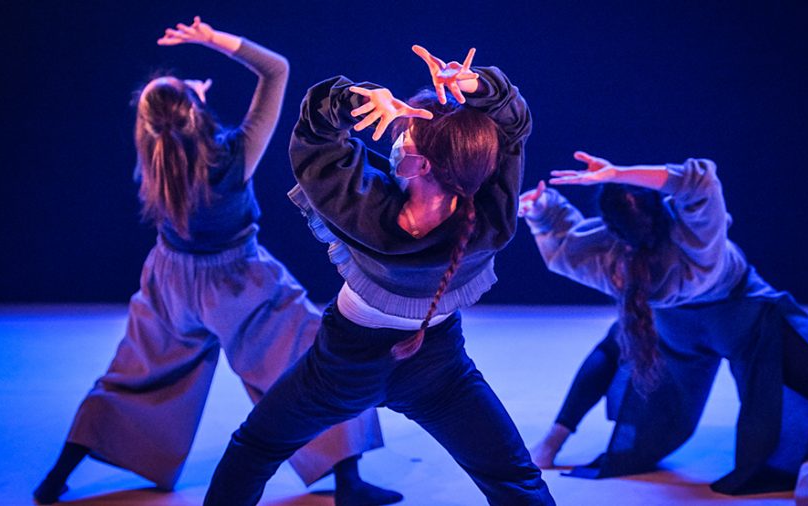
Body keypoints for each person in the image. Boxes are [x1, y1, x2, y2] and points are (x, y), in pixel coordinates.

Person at [33, 17, 400, 506]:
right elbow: (276, 71)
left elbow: (164, 119)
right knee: (316, 358)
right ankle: (349, 483)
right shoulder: (235, 155)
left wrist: (188, 97)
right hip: (237, 281)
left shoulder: (153, 157)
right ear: (195, 112)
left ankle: (58, 475)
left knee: (132, 375)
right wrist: (215, 41)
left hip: (169, 281)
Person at [202, 45, 555, 505]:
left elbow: (315, 138)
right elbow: (512, 128)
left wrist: (356, 101)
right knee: (514, 477)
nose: (398, 138)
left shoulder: (365, 212)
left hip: (346, 364)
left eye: (405, 134)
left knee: (255, 447)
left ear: (422, 164)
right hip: (438, 364)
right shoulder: (490, 221)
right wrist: (478, 87)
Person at [519, 153, 808, 505]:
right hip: (743, 316)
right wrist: (619, 173)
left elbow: (567, 247)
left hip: (671, 326)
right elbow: (699, 180)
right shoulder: (695, 241)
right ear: (659, 206)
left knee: (615, 345)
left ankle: (550, 445)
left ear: (611, 230)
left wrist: (541, 210)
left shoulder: (615, 262)